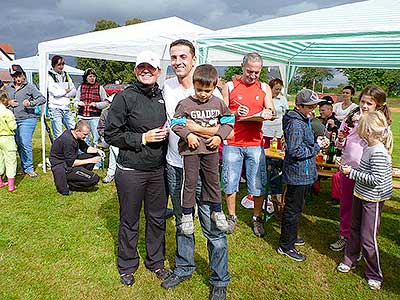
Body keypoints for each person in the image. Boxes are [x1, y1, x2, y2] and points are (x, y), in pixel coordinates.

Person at [161, 39, 230, 300]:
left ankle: (220, 277)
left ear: (193, 58)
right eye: (174, 57)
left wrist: (197, 129)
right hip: (175, 164)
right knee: (183, 221)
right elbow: (172, 122)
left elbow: (221, 127)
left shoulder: (213, 91)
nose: (178, 62)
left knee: (213, 223)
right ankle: (184, 267)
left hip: (204, 164)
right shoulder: (167, 87)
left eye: (183, 57)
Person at [104, 50, 171, 286]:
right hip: (131, 170)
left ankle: (156, 262)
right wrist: (143, 138)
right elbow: (111, 134)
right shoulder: (125, 97)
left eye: (150, 68)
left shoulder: (163, 96)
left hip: (158, 170)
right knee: (129, 219)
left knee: (156, 219)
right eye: (141, 67)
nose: (146, 71)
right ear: (135, 70)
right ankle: (127, 265)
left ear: (158, 72)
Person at [171, 64, 234, 234]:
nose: (203, 94)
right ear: (194, 84)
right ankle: (186, 215)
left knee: (213, 181)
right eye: (199, 90)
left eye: (208, 91)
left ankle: (217, 211)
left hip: (211, 150)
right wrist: (188, 135)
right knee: (189, 182)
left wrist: (219, 136)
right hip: (191, 152)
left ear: (214, 87)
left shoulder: (219, 103)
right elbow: (175, 124)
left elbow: (229, 122)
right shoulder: (185, 104)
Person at [329, 85, 392, 252]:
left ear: (378, 106)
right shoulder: (351, 118)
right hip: (349, 169)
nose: (364, 106)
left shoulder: (379, 124)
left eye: (369, 104)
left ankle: (366, 243)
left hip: (368, 174)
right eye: (363, 101)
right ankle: (344, 236)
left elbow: (383, 147)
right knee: (346, 206)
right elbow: (340, 145)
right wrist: (341, 140)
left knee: (367, 211)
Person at [337, 111, 392, 290]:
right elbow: (366, 172)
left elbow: (375, 179)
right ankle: (350, 258)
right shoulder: (369, 147)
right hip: (360, 195)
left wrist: (351, 173)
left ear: (367, 131)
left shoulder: (378, 152)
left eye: (360, 127)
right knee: (354, 230)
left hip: (372, 199)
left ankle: (374, 273)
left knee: (368, 238)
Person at [221, 52, 274, 237]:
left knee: (257, 182)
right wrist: (235, 113)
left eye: (256, 72)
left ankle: (256, 218)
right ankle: (232, 216)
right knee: (230, 180)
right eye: (249, 71)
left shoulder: (264, 87)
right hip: (232, 141)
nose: (252, 76)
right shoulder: (229, 86)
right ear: (242, 67)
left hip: (254, 142)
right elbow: (220, 114)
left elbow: (272, 111)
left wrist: (268, 112)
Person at [277, 89, 328, 262]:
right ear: (298, 106)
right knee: (292, 209)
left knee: (296, 208)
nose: (313, 109)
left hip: (302, 172)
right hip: (297, 173)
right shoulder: (296, 123)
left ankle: (290, 237)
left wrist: (315, 142)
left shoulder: (303, 119)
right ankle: (286, 246)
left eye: (314, 106)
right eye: (309, 106)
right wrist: (316, 147)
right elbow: (295, 150)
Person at [5, 64, 46, 177]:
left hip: (27, 119)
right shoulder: (8, 88)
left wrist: (30, 103)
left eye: (19, 75)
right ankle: (23, 167)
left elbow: (42, 98)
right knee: (17, 143)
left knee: (25, 142)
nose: (17, 78)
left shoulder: (30, 87)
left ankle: (29, 168)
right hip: (12, 120)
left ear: (23, 75)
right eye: (14, 76)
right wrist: (8, 103)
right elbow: (2, 100)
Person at [49, 120, 102, 196]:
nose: (86, 137)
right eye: (85, 134)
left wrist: (97, 150)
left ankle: (80, 175)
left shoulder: (74, 134)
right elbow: (71, 163)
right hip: (63, 166)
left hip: (70, 161)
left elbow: (85, 148)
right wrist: (91, 160)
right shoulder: (68, 141)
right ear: (78, 131)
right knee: (94, 178)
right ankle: (70, 184)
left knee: (93, 154)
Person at [262, 78, 288, 213]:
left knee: (276, 159)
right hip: (265, 131)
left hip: (277, 132)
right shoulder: (265, 98)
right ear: (270, 88)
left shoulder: (282, 99)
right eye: (276, 89)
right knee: (265, 158)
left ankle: (274, 187)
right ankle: (263, 182)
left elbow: (285, 114)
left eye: (280, 89)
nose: (278, 91)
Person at [74, 68, 108, 147]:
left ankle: (99, 157)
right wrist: (79, 103)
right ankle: (85, 156)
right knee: (84, 139)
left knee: (97, 139)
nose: (93, 78)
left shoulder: (100, 88)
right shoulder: (81, 87)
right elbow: (75, 101)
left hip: (95, 117)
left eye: (94, 76)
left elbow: (106, 103)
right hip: (82, 117)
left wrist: (96, 104)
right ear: (86, 77)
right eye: (90, 76)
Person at [48, 55, 76, 139]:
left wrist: (65, 93)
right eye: (59, 64)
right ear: (54, 65)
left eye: (63, 64)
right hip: (55, 108)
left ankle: (76, 150)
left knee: (74, 130)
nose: (61, 67)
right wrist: (66, 90)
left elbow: (74, 90)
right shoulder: (49, 76)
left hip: (66, 108)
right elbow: (55, 92)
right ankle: (59, 151)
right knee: (58, 134)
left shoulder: (66, 75)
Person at [97, 94, 118, 184]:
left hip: (119, 139)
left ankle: (112, 172)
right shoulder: (105, 113)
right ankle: (114, 171)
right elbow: (100, 129)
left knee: (115, 146)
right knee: (114, 146)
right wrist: (109, 135)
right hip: (107, 138)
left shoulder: (124, 113)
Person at [0, 91, 17, 192]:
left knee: (0, 159)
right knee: (11, 160)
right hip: (7, 138)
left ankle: (0, 181)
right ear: (5, 100)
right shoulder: (7, 112)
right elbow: (13, 126)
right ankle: (11, 185)